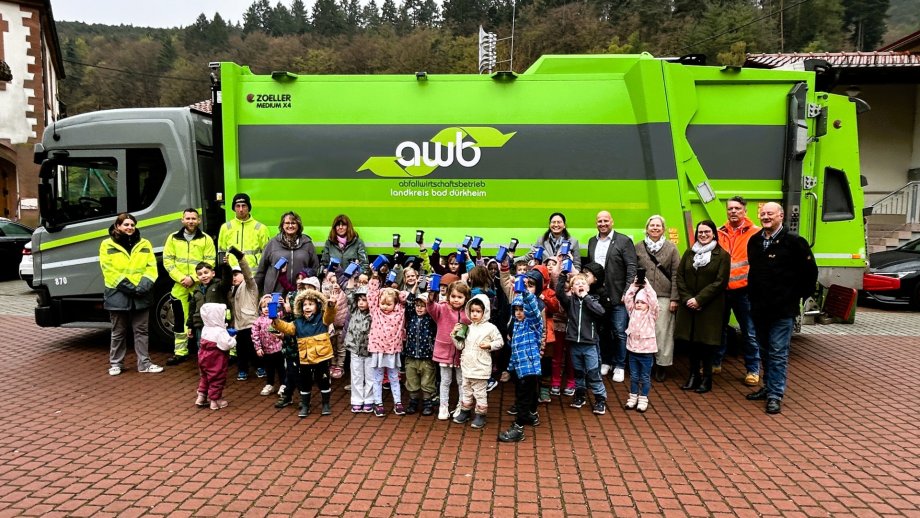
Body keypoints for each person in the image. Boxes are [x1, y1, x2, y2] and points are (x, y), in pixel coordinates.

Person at [745, 202, 817, 414]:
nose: (766, 217)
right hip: (759, 308)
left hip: (782, 311)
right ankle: (768, 387)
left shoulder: (795, 242)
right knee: (765, 351)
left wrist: (795, 297)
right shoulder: (755, 241)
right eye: (763, 214)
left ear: (781, 216)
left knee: (778, 352)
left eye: (770, 214)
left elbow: (810, 274)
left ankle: (775, 395)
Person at [98, 213, 163, 376]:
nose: (130, 227)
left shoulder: (145, 243)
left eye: (132, 225)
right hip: (118, 293)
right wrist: (130, 288)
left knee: (142, 331)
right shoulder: (107, 244)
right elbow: (108, 270)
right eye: (126, 224)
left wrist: (142, 286)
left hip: (141, 293)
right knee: (118, 331)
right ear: (117, 226)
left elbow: (151, 268)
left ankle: (144, 364)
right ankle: (116, 364)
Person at [675, 221, 730, 394]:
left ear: (714, 233)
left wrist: (699, 300)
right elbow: (680, 276)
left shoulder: (722, 255)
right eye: (700, 232)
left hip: (709, 306)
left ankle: (707, 378)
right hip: (689, 306)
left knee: (707, 344)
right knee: (692, 343)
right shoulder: (689, 253)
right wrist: (687, 299)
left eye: (707, 232)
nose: (703, 235)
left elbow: (720, 282)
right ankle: (693, 376)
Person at [714, 196, 762, 386]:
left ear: (745, 211)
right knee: (718, 329)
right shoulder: (719, 232)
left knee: (749, 332)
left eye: (737, 208)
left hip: (745, 291)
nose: (733, 211)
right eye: (730, 209)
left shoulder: (756, 233)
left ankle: (753, 370)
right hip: (722, 290)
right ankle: (715, 363)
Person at [586, 210, 637, 383]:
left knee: (619, 332)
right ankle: (606, 361)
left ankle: (620, 365)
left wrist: (627, 292)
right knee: (603, 331)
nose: (603, 224)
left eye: (606, 220)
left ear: (612, 222)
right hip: (599, 296)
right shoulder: (592, 241)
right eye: (599, 221)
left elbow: (631, 268)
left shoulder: (624, 241)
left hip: (618, 295)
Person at [272, 286, 337, 417]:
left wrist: (330, 306)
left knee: (323, 380)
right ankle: (305, 405)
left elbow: (330, 316)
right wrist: (275, 320)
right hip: (305, 358)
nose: (307, 307)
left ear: (317, 306)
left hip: (321, 357)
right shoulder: (298, 322)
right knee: (305, 381)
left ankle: (325, 404)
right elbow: (287, 328)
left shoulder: (322, 319)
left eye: (311, 304)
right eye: (305, 305)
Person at [163, 208, 216, 366]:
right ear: (182, 220)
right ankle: (180, 352)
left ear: (198, 220)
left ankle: (205, 351)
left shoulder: (206, 239)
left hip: (199, 286)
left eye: (194, 218)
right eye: (188, 218)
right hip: (179, 286)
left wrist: (193, 278)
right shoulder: (173, 238)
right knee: (179, 320)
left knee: (203, 320)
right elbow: (168, 261)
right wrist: (182, 278)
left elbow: (210, 261)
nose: (191, 221)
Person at [497, 277, 544, 443]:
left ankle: (518, 427)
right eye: (516, 309)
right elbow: (515, 350)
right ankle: (531, 415)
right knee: (528, 394)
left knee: (523, 399)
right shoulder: (516, 326)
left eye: (521, 309)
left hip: (530, 368)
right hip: (519, 368)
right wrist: (509, 368)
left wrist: (525, 293)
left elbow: (533, 310)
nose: (518, 312)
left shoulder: (533, 324)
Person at [634, 215, 680, 382]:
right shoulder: (638, 247)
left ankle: (662, 365)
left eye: (658, 226)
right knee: (643, 332)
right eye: (651, 225)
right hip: (643, 296)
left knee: (662, 331)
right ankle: (647, 364)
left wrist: (674, 298)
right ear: (646, 229)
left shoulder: (671, 248)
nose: (654, 228)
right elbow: (632, 270)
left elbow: (676, 274)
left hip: (664, 296)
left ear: (663, 229)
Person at [556, 272, 608, 415]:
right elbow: (559, 293)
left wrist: (586, 298)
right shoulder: (570, 302)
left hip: (589, 344)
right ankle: (580, 395)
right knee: (578, 372)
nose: (580, 285)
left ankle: (600, 399)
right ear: (572, 289)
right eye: (576, 283)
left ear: (588, 288)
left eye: (583, 283)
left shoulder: (592, 300)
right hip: (574, 343)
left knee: (593, 372)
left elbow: (601, 312)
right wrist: (562, 276)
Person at [451, 295, 503, 429]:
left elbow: (500, 342)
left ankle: (480, 414)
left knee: (480, 393)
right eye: (472, 311)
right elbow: (460, 346)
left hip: (481, 367)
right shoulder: (468, 328)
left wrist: (490, 345)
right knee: (466, 390)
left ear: (485, 312)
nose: (474, 314)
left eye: (478, 311)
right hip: (467, 367)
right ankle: (465, 411)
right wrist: (454, 335)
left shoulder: (490, 328)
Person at [428, 279, 472, 420]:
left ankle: (461, 405)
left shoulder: (468, 313)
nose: (456, 300)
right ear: (448, 296)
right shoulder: (442, 308)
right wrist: (431, 297)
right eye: (453, 296)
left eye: (460, 297)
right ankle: (443, 406)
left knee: (461, 381)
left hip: (461, 353)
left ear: (466, 298)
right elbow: (431, 307)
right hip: (444, 351)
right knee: (445, 381)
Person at [367, 271, 408, 417]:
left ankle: (398, 402)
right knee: (377, 378)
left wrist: (393, 291)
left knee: (394, 377)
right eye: (382, 303)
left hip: (393, 350)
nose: (385, 306)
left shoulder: (399, 312)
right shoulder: (375, 311)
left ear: (395, 303)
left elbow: (404, 297)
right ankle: (378, 403)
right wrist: (374, 278)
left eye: (389, 304)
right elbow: (371, 295)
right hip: (378, 350)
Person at [255, 211, 320, 297]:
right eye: (287, 223)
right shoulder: (272, 243)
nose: (290, 226)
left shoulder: (307, 244)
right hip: (275, 294)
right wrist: (254, 290)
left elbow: (315, 268)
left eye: (293, 223)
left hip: (300, 294)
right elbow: (261, 270)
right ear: (282, 225)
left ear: (298, 225)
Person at [623, 278, 659, 412]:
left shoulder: (651, 314)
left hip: (646, 352)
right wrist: (634, 285)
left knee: (644, 377)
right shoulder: (632, 311)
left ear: (648, 304)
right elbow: (628, 298)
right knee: (634, 376)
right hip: (633, 351)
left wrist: (646, 285)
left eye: (642, 302)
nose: (638, 304)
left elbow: (654, 300)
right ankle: (633, 397)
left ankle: (643, 398)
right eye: (637, 302)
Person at [195, 303, 236, 410]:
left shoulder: (206, 328)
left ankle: (201, 397)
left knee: (205, 377)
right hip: (216, 359)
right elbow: (226, 345)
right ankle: (215, 400)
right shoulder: (220, 331)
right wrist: (233, 339)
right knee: (216, 379)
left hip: (203, 358)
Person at [228, 248, 260, 381]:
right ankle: (242, 370)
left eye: (236, 274)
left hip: (250, 322)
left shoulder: (250, 286)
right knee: (241, 349)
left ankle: (259, 367)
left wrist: (241, 259)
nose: (234, 277)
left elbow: (248, 274)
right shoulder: (231, 290)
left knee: (253, 347)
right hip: (238, 324)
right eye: (232, 275)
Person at [218, 192, 271, 272]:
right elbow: (221, 251)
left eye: (244, 206)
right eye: (238, 206)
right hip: (233, 274)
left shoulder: (261, 228)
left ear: (248, 207)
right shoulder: (225, 227)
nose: (241, 209)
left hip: (253, 273)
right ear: (234, 208)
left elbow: (267, 253)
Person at [342, 280, 373, 413]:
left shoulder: (374, 314)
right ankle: (357, 399)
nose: (361, 303)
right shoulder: (354, 310)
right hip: (354, 348)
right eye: (359, 300)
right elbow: (349, 294)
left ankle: (369, 399)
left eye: (364, 300)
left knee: (370, 375)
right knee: (356, 375)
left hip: (370, 349)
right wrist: (351, 280)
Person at [404, 296, 437, 416]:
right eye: (417, 305)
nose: (419, 308)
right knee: (411, 380)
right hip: (411, 355)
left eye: (423, 306)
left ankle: (427, 402)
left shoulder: (431, 319)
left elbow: (435, 307)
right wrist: (415, 288)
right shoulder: (411, 316)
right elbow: (408, 304)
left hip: (427, 356)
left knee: (427, 381)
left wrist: (431, 297)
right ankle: (413, 401)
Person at [252, 295, 286, 397]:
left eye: (269, 306)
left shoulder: (277, 316)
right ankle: (270, 384)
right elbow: (254, 334)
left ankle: (283, 384)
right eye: (264, 307)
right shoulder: (258, 321)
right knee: (269, 368)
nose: (266, 309)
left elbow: (286, 312)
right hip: (266, 350)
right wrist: (258, 347)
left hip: (278, 348)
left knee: (281, 368)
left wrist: (283, 304)